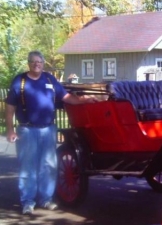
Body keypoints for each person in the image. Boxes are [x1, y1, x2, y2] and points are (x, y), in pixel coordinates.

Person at [5, 51, 97, 215]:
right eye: (33, 62)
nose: (36, 64)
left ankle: (45, 199)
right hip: (27, 130)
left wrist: (83, 100)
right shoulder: (20, 81)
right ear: (29, 63)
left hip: (48, 129)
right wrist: (10, 129)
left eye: (39, 62)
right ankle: (28, 201)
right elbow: (10, 106)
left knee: (48, 166)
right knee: (28, 167)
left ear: (43, 63)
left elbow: (66, 97)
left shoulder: (49, 79)